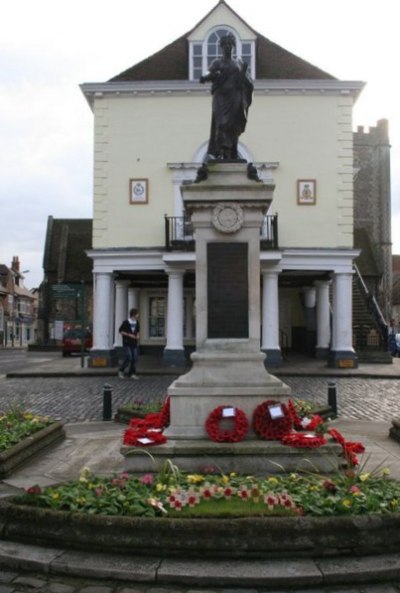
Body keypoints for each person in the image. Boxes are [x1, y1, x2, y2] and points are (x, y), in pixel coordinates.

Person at [200, 33, 253, 161]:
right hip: (221, 98)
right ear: (222, 47)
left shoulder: (239, 64)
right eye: (225, 45)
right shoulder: (217, 63)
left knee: (233, 125)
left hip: (235, 97)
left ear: (233, 47)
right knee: (221, 124)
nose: (228, 47)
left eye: (230, 45)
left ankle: (232, 153)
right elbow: (209, 73)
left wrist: (244, 75)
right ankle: (220, 153)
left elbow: (248, 82)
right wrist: (206, 77)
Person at [118, 308, 140, 379]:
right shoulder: (126, 322)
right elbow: (120, 331)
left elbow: (137, 331)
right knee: (129, 357)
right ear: (134, 314)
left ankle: (132, 373)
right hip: (127, 343)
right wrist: (129, 335)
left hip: (134, 343)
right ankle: (121, 370)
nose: (138, 315)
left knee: (135, 358)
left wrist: (138, 335)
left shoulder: (137, 322)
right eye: (137, 314)